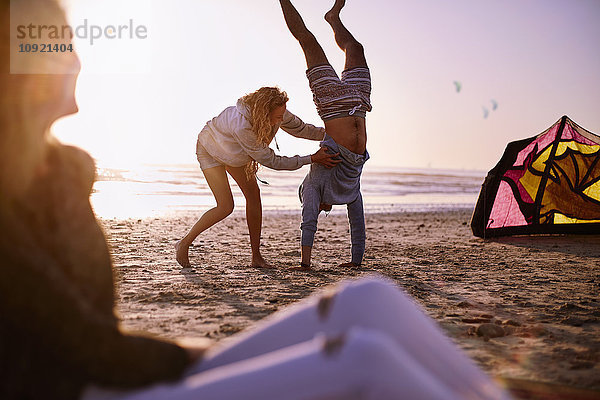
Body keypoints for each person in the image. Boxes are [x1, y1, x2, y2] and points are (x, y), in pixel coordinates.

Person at [0, 1, 510, 399]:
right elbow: (84, 346)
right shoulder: (15, 196)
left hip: (110, 368)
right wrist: (207, 358)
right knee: (365, 358)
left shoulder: (57, 173)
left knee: (369, 297)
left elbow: (95, 339)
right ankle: (197, 244)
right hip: (80, 390)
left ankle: (256, 253)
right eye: (55, 42)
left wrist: (320, 143)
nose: (77, 55)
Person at [175, 86, 340, 269]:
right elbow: (272, 161)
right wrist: (311, 158)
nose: (281, 119)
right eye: (277, 117)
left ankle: (256, 257)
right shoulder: (242, 126)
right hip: (210, 149)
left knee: (254, 196)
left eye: (282, 115)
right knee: (225, 206)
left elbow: (301, 129)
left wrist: (334, 133)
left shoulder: (279, 111)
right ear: (263, 112)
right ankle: (184, 243)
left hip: (237, 153)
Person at [279, 0, 371, 271]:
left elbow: (307, 222)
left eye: (319, 208)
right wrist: (356, 262)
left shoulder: (313, 184)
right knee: (356, 48)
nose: (323, 210)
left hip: (331, 104)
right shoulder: (348, 191)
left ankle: (328, 15)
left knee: (308, 41)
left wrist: (305, 264)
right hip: (359, 102)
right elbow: (358, 222)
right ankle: (333, 18)